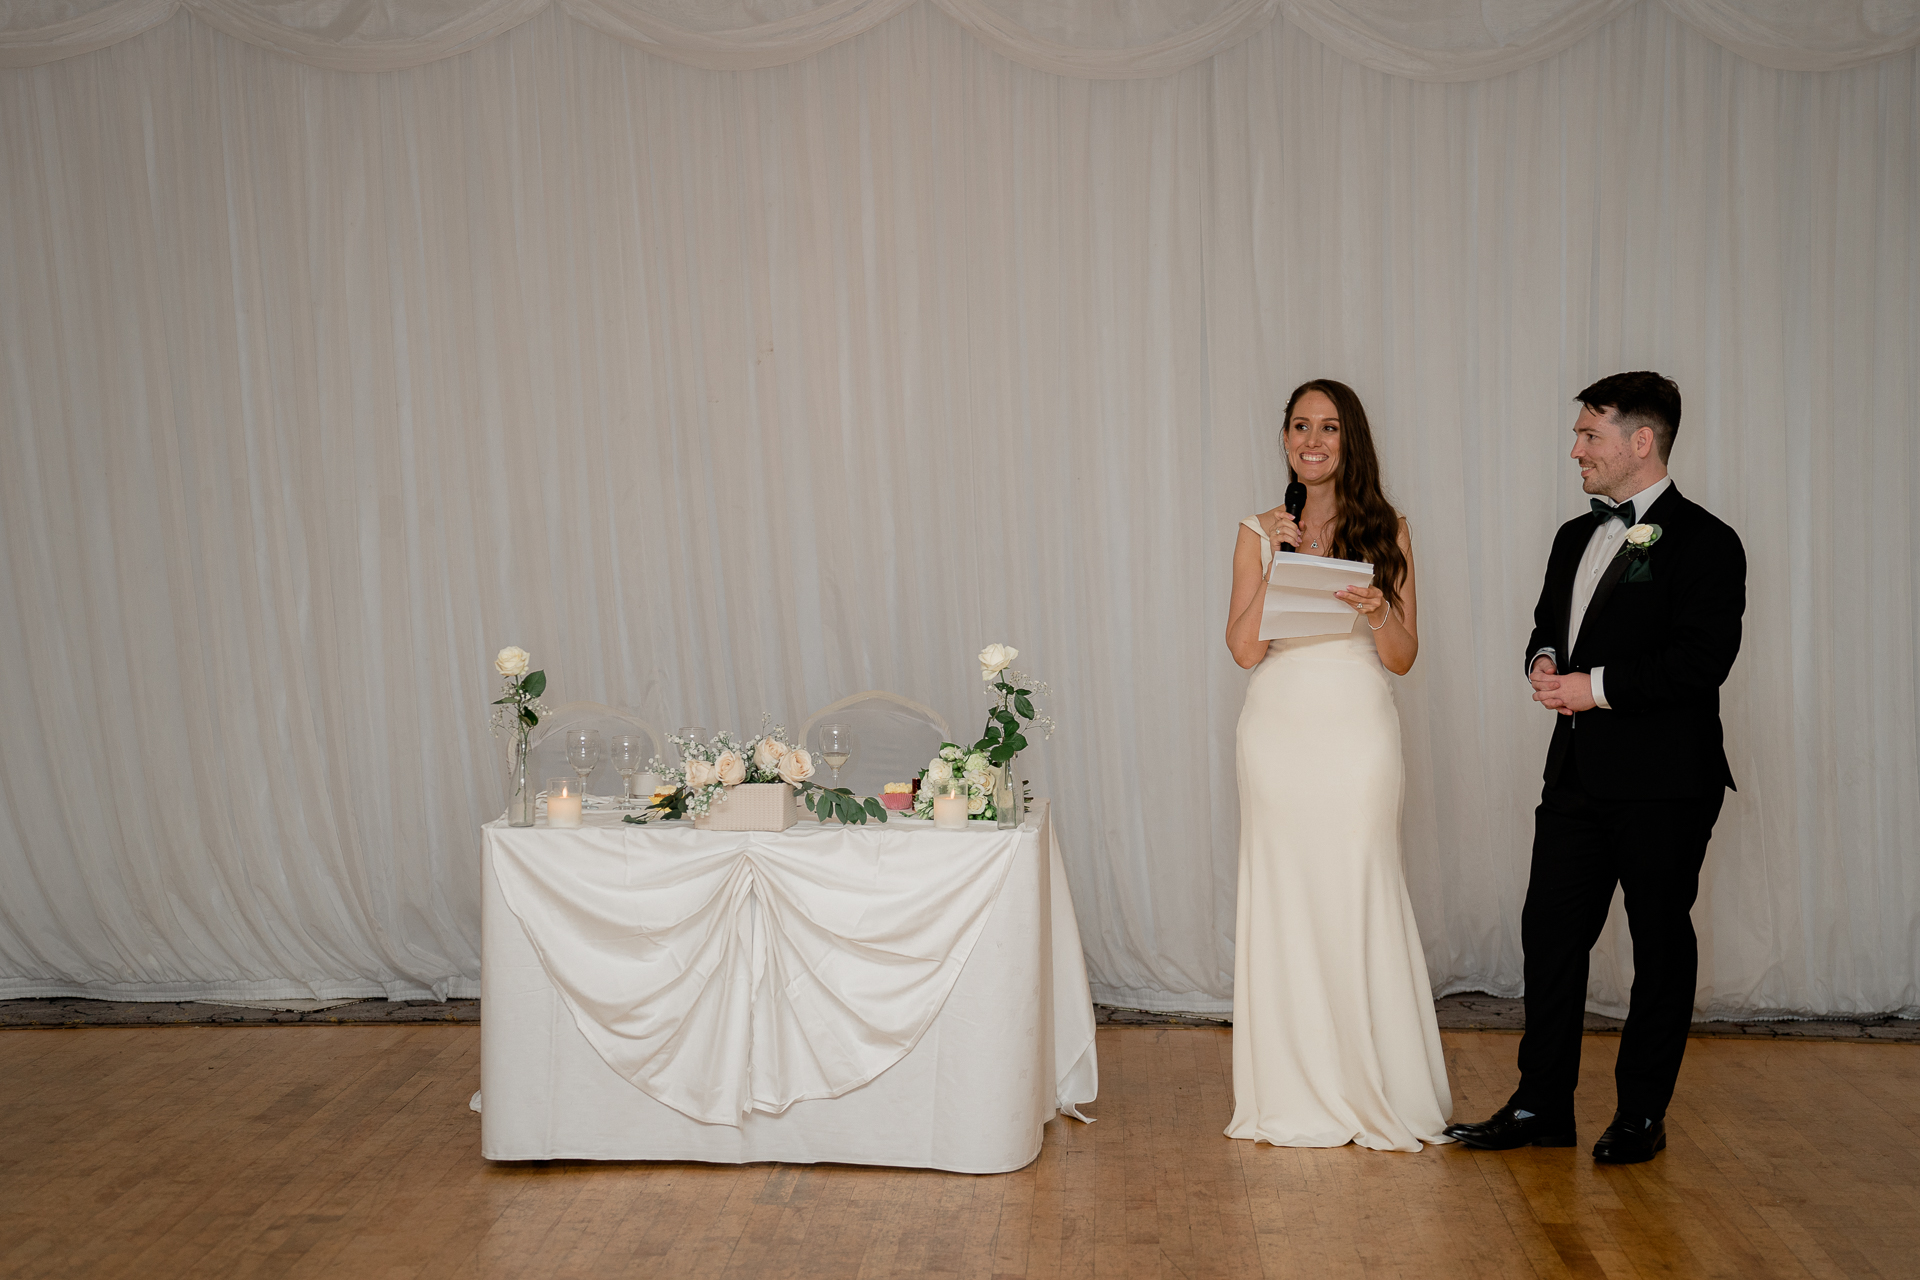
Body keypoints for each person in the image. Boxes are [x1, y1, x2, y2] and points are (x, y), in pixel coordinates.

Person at [1445, 371, 1746, 1164]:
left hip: (1666, 783)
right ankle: (1540, 1106)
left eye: (1590, 435)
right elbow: (1550, 622)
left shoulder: (1709, 542)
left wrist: (1594, 687)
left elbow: (1700, 662)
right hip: (1576, 775)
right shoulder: (1573, 536)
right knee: (1548, 935)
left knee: (1658, 944)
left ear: (1640, 442)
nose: (1575, 448)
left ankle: (1642, 1114)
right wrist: (1545, 660)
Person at [1222, 378, 1452, 1151]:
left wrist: (1382, 610)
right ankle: (1292, 1088)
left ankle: (1374, 1082)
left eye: (1326, 427)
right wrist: (1280, 558)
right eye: (1298, 427)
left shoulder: (1390, 529)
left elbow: (1405, 657)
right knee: (1285, 896)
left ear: (1350, 440)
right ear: (1284, 439)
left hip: (1356, 730)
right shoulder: (1258, 530)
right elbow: (1244, 649)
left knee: (1357, 887)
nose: (1311, 440)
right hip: (1278, 731)